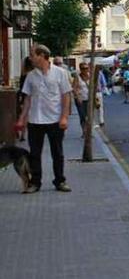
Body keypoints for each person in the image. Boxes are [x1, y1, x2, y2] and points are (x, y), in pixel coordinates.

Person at [15, 44, 73, 193]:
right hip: (35, 121)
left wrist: (64, 117)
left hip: (55, 120)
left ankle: (60, 181)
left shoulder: (60, 73)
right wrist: (22, 119)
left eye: (32, 54)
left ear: (42, 56)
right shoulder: (30, 75)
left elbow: (66, 96)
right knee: (34, 154)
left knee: (57, 153)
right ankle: (35, 183)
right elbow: (27, 99)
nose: (30, 58)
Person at [73, 63, 94, 137]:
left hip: (89, 99)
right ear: (80, 69)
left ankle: (89, 132)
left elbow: (94, 87)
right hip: (80, 100)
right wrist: (77, 96)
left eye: (86, 68)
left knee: (89, 116)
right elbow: (74, 88)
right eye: (83, 68)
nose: (85, 70)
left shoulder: (91, 76)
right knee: (82, 116)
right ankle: (84, 131)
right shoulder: (77, 77)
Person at [16, 57, 33, 142]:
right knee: (26, 115)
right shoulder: (32, 74)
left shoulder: (24, 74)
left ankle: (21, 133)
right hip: (30, 96)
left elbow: (21, 86)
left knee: (23, 115)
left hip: (24, 95)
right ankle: (23, 134)